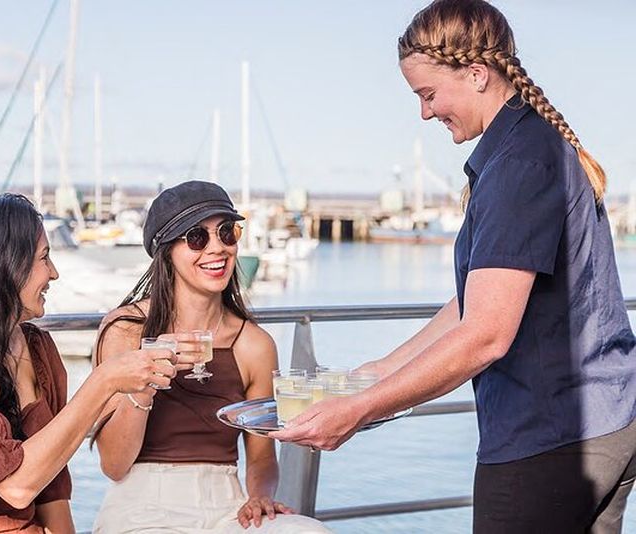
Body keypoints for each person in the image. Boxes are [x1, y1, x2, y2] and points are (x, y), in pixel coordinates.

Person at [272, 1, 636, 532]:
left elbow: (485, 334)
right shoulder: (534, 145)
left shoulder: (517, 165)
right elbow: (477, 299)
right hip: (609, 423)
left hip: (551, 437)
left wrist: (361, 409)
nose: (425, 113)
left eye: (428, 94)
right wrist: (381, 370)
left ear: (476, 74)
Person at [0, 193, 176, 532]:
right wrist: (105, 381)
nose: (54, 273)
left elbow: (50, 487)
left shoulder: (37, 346)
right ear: (2, 266)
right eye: (44, 258)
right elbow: (15, 486)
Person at [90, 180, 331, 533]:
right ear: (166, 250)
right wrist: (148, 376)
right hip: (142, 506)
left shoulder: (254, 344)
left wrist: (260, 496)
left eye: (226, 232)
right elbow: (114, 465)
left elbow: (261, 459)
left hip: (227, 507)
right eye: (197, 238)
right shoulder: (126, 329)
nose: (217, 248)